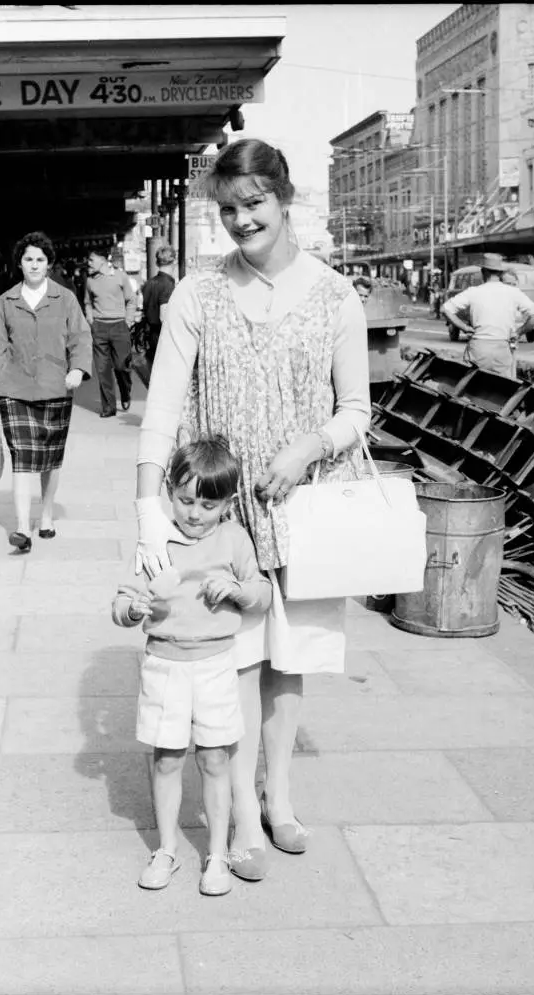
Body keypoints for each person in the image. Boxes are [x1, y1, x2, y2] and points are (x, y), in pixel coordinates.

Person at [134, 138, 371, 883]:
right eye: (228, 209)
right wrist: (149, 505)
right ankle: (238, 816)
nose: (241, 221)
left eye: (253, 205)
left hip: (303, 513)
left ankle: (280, 797)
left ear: (284, 197)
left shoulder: (336, 295)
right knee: (230, 662)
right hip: (219, 519)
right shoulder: (198, 295)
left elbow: (357, 408)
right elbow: (163, 406)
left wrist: (310, 445)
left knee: (288, 663)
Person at [113, 436, 272, 896]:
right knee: (166, 760)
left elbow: (261, 595)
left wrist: (238, 590)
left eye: (209, 503)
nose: (195, 513)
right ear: (169, 493)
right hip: (164, 665)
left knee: (215, 758)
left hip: (215, 666)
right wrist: (133, 609)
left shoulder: (234, 538)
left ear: (228, 502)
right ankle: (166, 849)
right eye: (185, 500)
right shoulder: (156, 539)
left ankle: (218, 853)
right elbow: (121, 600)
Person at [0, 231, 92, 553]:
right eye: (28, 259)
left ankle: (45, 517)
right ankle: (22, 529)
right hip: (14, 390)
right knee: (22, 459)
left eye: (40, 259)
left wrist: (77, 369)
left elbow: (81, 338)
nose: (34, 265)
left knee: (50, 460)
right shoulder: (6, 302)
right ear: (19, 263)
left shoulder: (65, 299)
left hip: (56, 387)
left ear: (49, 264)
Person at [442, 252, 534, 376]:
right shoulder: (513, 292)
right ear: (500, 273)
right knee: (503, 389)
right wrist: (518, 332)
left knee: (472, 386)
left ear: (483, 272)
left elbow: (445, 309)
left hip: (478, 348)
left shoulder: (473, 292)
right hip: (502, 348)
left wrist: (465, 327)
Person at [84, 248, 137, 417]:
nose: (88, 263)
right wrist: (91, 320)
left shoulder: (120, 276)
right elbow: (87, 303)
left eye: (91, 260)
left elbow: (131, 300)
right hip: (99, 328)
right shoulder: (90, 281)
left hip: (119, 327)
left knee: (121, 366)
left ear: (102, 260)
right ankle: (108, 407)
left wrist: (127, 322)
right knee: (102, 369)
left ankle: (125, 391)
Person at [141, 245, 176, 368]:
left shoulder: (149, 283)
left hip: (151, 336)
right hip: (163, 337)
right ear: (174, 262)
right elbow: (164, 316)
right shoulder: (168, 285)